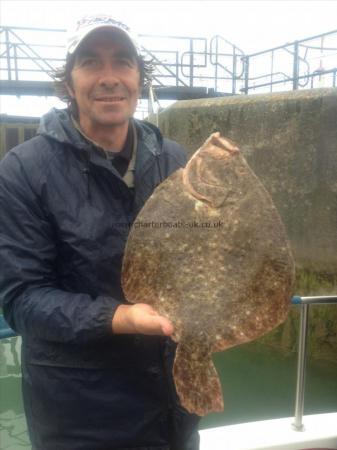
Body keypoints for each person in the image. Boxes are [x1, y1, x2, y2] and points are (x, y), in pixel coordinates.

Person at [0, 15, 200, 450]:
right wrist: (121, 317)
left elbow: (199, 255)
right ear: (69, 83)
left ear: (138, 77)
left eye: (122, 62)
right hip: (80, 419)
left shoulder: (174, 160)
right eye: (91, 62)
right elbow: (22, 299)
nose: (109, 78)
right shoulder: (23, 170)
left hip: (173, 409)